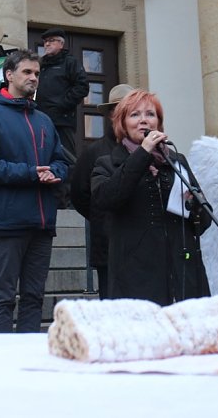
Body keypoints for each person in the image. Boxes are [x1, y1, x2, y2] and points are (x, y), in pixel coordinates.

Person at [0, 49, 68, 333]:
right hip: (7, 221)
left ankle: (29, 357)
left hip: (43, 223)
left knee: (35, 297)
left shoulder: (44, 121)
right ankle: (1, 362)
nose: (34, 78)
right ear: (9, 75)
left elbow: (60, 160)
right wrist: (30, 173)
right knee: (4, 297)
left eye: (37, 73)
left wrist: (55, 173)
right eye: (27, 72)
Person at [91, 89, 211, 306]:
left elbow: (203, 222)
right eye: (135, 115)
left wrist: (195, 206)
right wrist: (142, 153)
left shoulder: (176, 161)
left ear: (159, 122)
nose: (143, 121)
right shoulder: (107, 163)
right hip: (135, 273)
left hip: (182, 271)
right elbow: (106, 199)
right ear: (122, 123)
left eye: (150, 114)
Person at [70, 83, 134, 299]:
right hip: (108, 244)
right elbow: (79, 194)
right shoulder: (95, 152)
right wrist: (102, 214)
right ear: (111, 114)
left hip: (142, 248)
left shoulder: (149, 149)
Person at [35, 28, 88, 208]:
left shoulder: (70, 63)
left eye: (51, 40)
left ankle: (70, 200)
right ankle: (50, 198)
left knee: (67, 160)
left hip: (61, 121)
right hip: (40, 120)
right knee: (43, 159)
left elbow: (82, 87)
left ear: (61, 43)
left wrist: (61, 104)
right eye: (45, 41)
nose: (47, 44)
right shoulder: (40, 65)